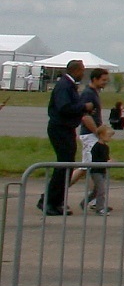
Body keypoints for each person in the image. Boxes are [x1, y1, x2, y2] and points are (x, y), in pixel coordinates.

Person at [42, 59, 86, 215]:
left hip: (66, 128)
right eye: (82, 70)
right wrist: (83, 107)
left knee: (66, 165)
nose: (83, 73)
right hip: (59, 128)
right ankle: (49, 201)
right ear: (75, 70)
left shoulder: (69, 85)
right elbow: (64, 107)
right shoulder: (64, 85)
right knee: (63, 164)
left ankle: (54, 199)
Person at [74, 69, 113, 214]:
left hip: (93, 135)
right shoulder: (88, 94)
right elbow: (85, 117)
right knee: (90, 167)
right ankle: (56, 193)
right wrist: (97, 132)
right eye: (103, 80)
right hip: (90, 134)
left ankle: (93, 199)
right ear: (95, 79)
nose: (105, 82)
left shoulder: (94, 93)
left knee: (86, 168)